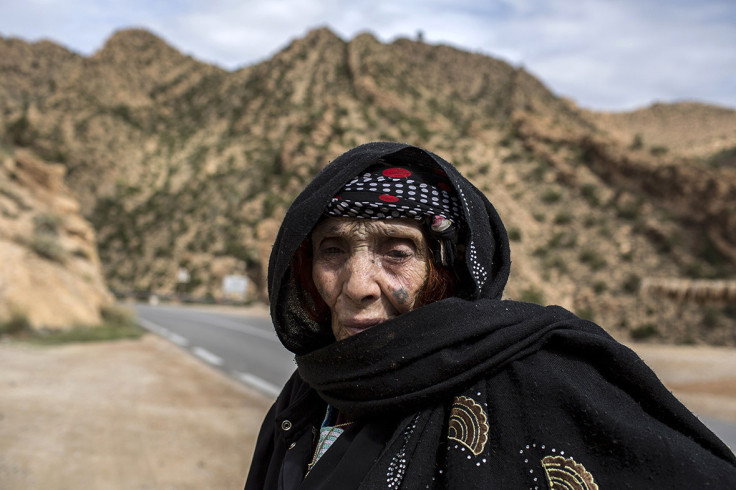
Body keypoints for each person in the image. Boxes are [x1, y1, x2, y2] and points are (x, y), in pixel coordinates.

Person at [245, 142, 736, 489]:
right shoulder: (309, 395)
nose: (356, 286)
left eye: (396, 252)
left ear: (446, 270)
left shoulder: (532, 377)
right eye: (333, 252)